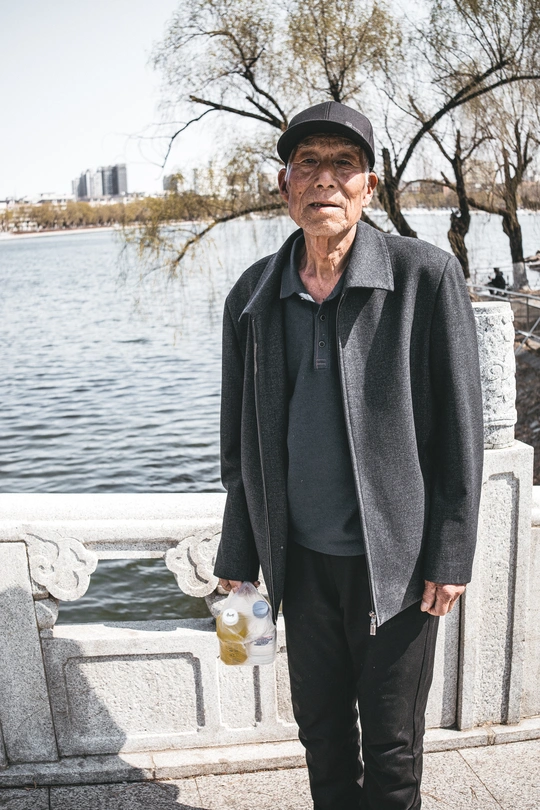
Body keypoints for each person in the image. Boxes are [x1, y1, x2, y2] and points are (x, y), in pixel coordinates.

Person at [214, 101, 484, 810]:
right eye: (308, 164)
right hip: (299, 566)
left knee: (393, 749)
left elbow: (461, 432)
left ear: (370, 185)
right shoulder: (252, 295)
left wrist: (451, 553)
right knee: (322, 736)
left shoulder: (425, 277)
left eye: (344, 164)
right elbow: (239, 448)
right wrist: (238, 559)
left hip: (396, 565)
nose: (325, 180)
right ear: (285, 185)